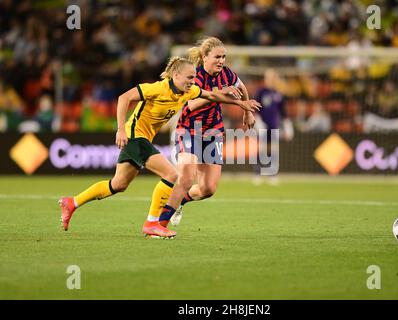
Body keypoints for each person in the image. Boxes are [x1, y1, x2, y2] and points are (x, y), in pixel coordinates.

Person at [58, 56, 260, 238]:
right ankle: (152, 223)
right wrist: (120, 129)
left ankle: (72, 203)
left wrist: (243, 104)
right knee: (172, 175)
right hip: (135, 136)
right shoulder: (157, 88)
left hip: (142, 139)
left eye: (193, 78)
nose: (192, 81)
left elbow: (212, 96)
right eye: (189, 77)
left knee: (118, 184)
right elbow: (124, 98)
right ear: (175, 75)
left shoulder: (188, 91)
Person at [157, 36, 256, 228]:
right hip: (189, 129)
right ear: (204, 56)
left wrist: (247, 112)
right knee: (186, 177)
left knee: (208, 189)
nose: (221, 61)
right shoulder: (195, 76)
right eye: (217, 57)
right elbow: (192, 104)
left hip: (213, 132)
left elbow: (241, 87)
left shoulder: (227, 74)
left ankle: (180, 202)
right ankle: (159, 225)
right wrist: (221, 92)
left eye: (224, 57)